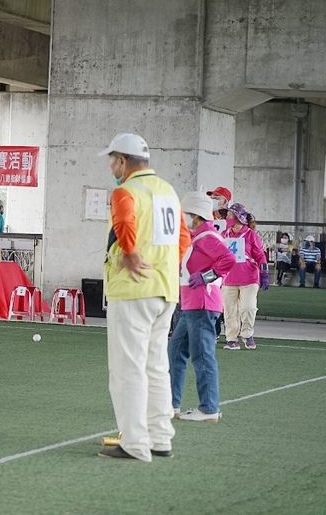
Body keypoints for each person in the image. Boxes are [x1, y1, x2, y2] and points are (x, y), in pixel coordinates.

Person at [97, 133, 189, 461]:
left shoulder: (126, 190)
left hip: (133, 289)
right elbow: (184, 237)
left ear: (123, 161)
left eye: (112, 160)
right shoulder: (167, 190)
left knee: (127, 368)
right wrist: (167, 264)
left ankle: (135, 442)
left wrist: (131, 252)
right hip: (165, 289)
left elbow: (124, 220)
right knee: (155, 366)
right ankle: (161, 438)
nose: (111, 166)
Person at [170, 192, 237, 424]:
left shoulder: (208, 236)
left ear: (195, 216)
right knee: (176, 350)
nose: (182, 218)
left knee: (202, 355)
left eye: (184, 214)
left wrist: (207, 276)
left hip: (202, 304)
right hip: (191, 304)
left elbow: (228, 260)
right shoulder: (196, 235)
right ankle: (171, 404)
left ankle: (209, 408)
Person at [220, 203, 268, 350]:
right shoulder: (224, 234)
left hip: (249, 278)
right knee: (229, 310)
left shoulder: (250, 235)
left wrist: (264, 272)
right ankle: (231, 338)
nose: (227, 218)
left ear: (238, 218)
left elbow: (260, 255)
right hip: (229, 278)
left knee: (248, 307)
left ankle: (247, 334)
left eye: (229, 215)